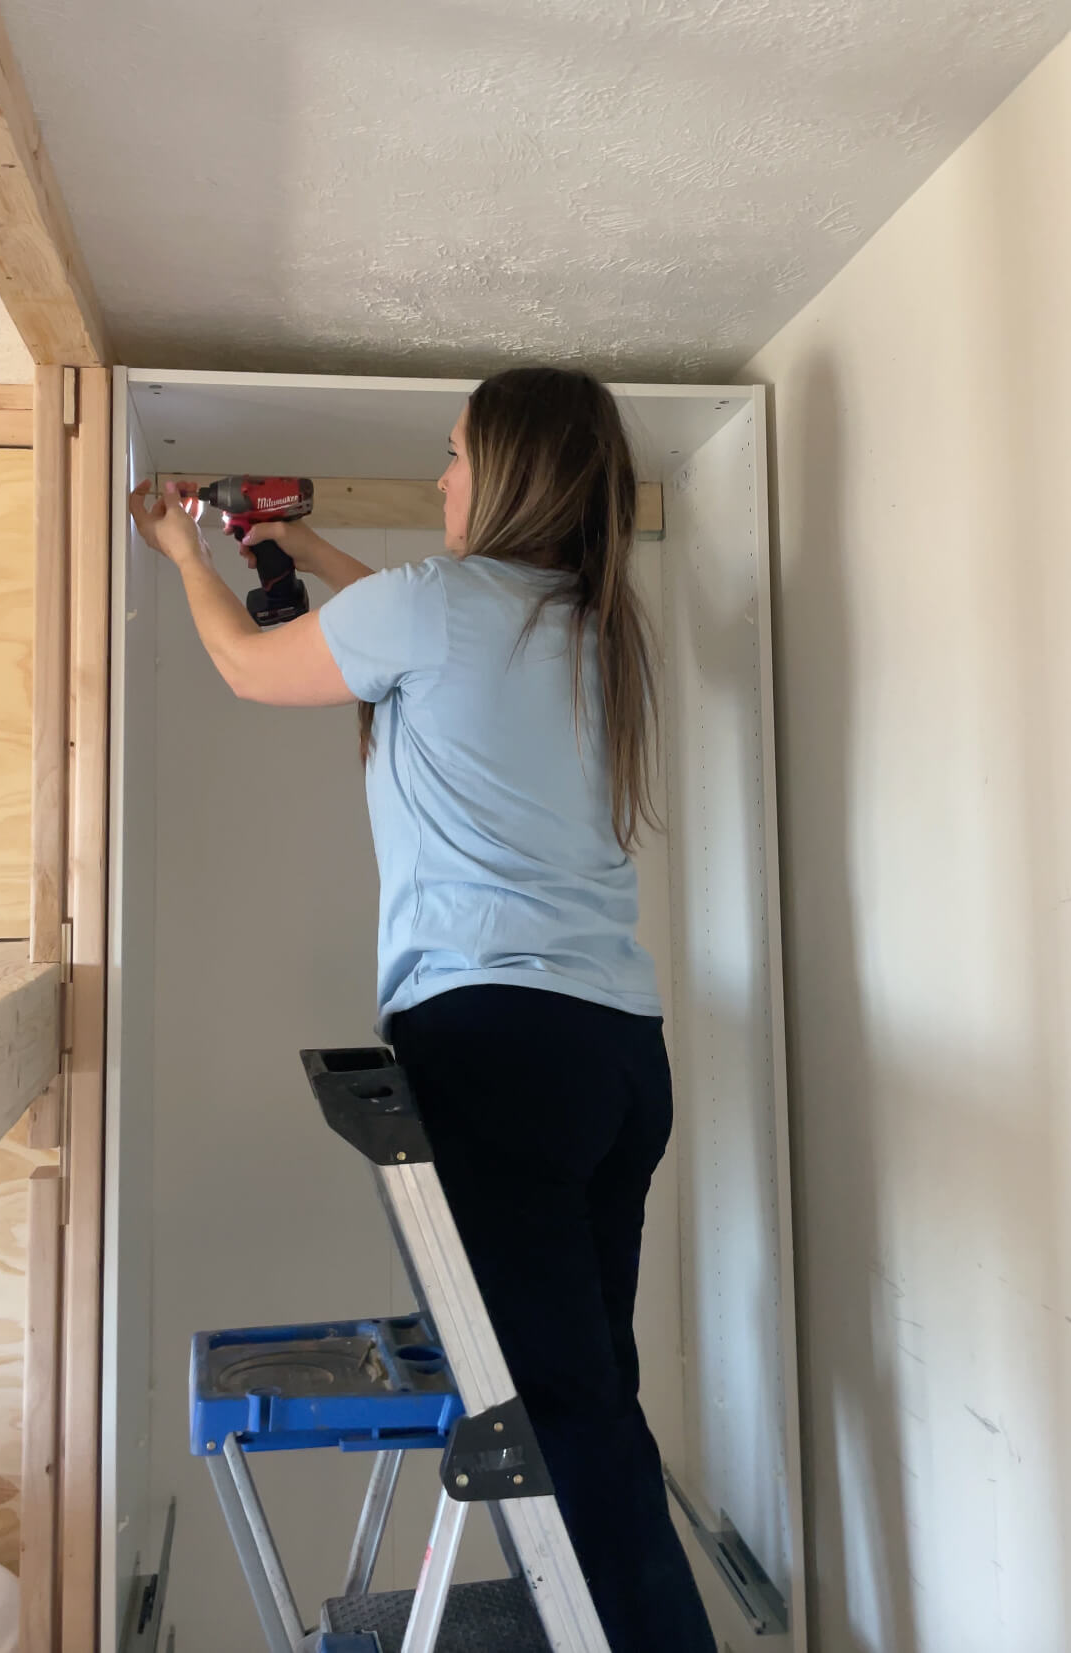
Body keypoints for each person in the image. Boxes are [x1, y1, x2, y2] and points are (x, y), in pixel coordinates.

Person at [130, 365, 717, 1653]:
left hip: (496, 1051)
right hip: (616, 1056)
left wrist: (183, 552)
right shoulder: (588, 621)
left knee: (553, 1414)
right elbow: (414, 631)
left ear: (502, 475)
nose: (443, 478)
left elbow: (246, 665)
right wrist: (302, 549)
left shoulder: (434, 609)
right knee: (586, 1400)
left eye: (453, 457)